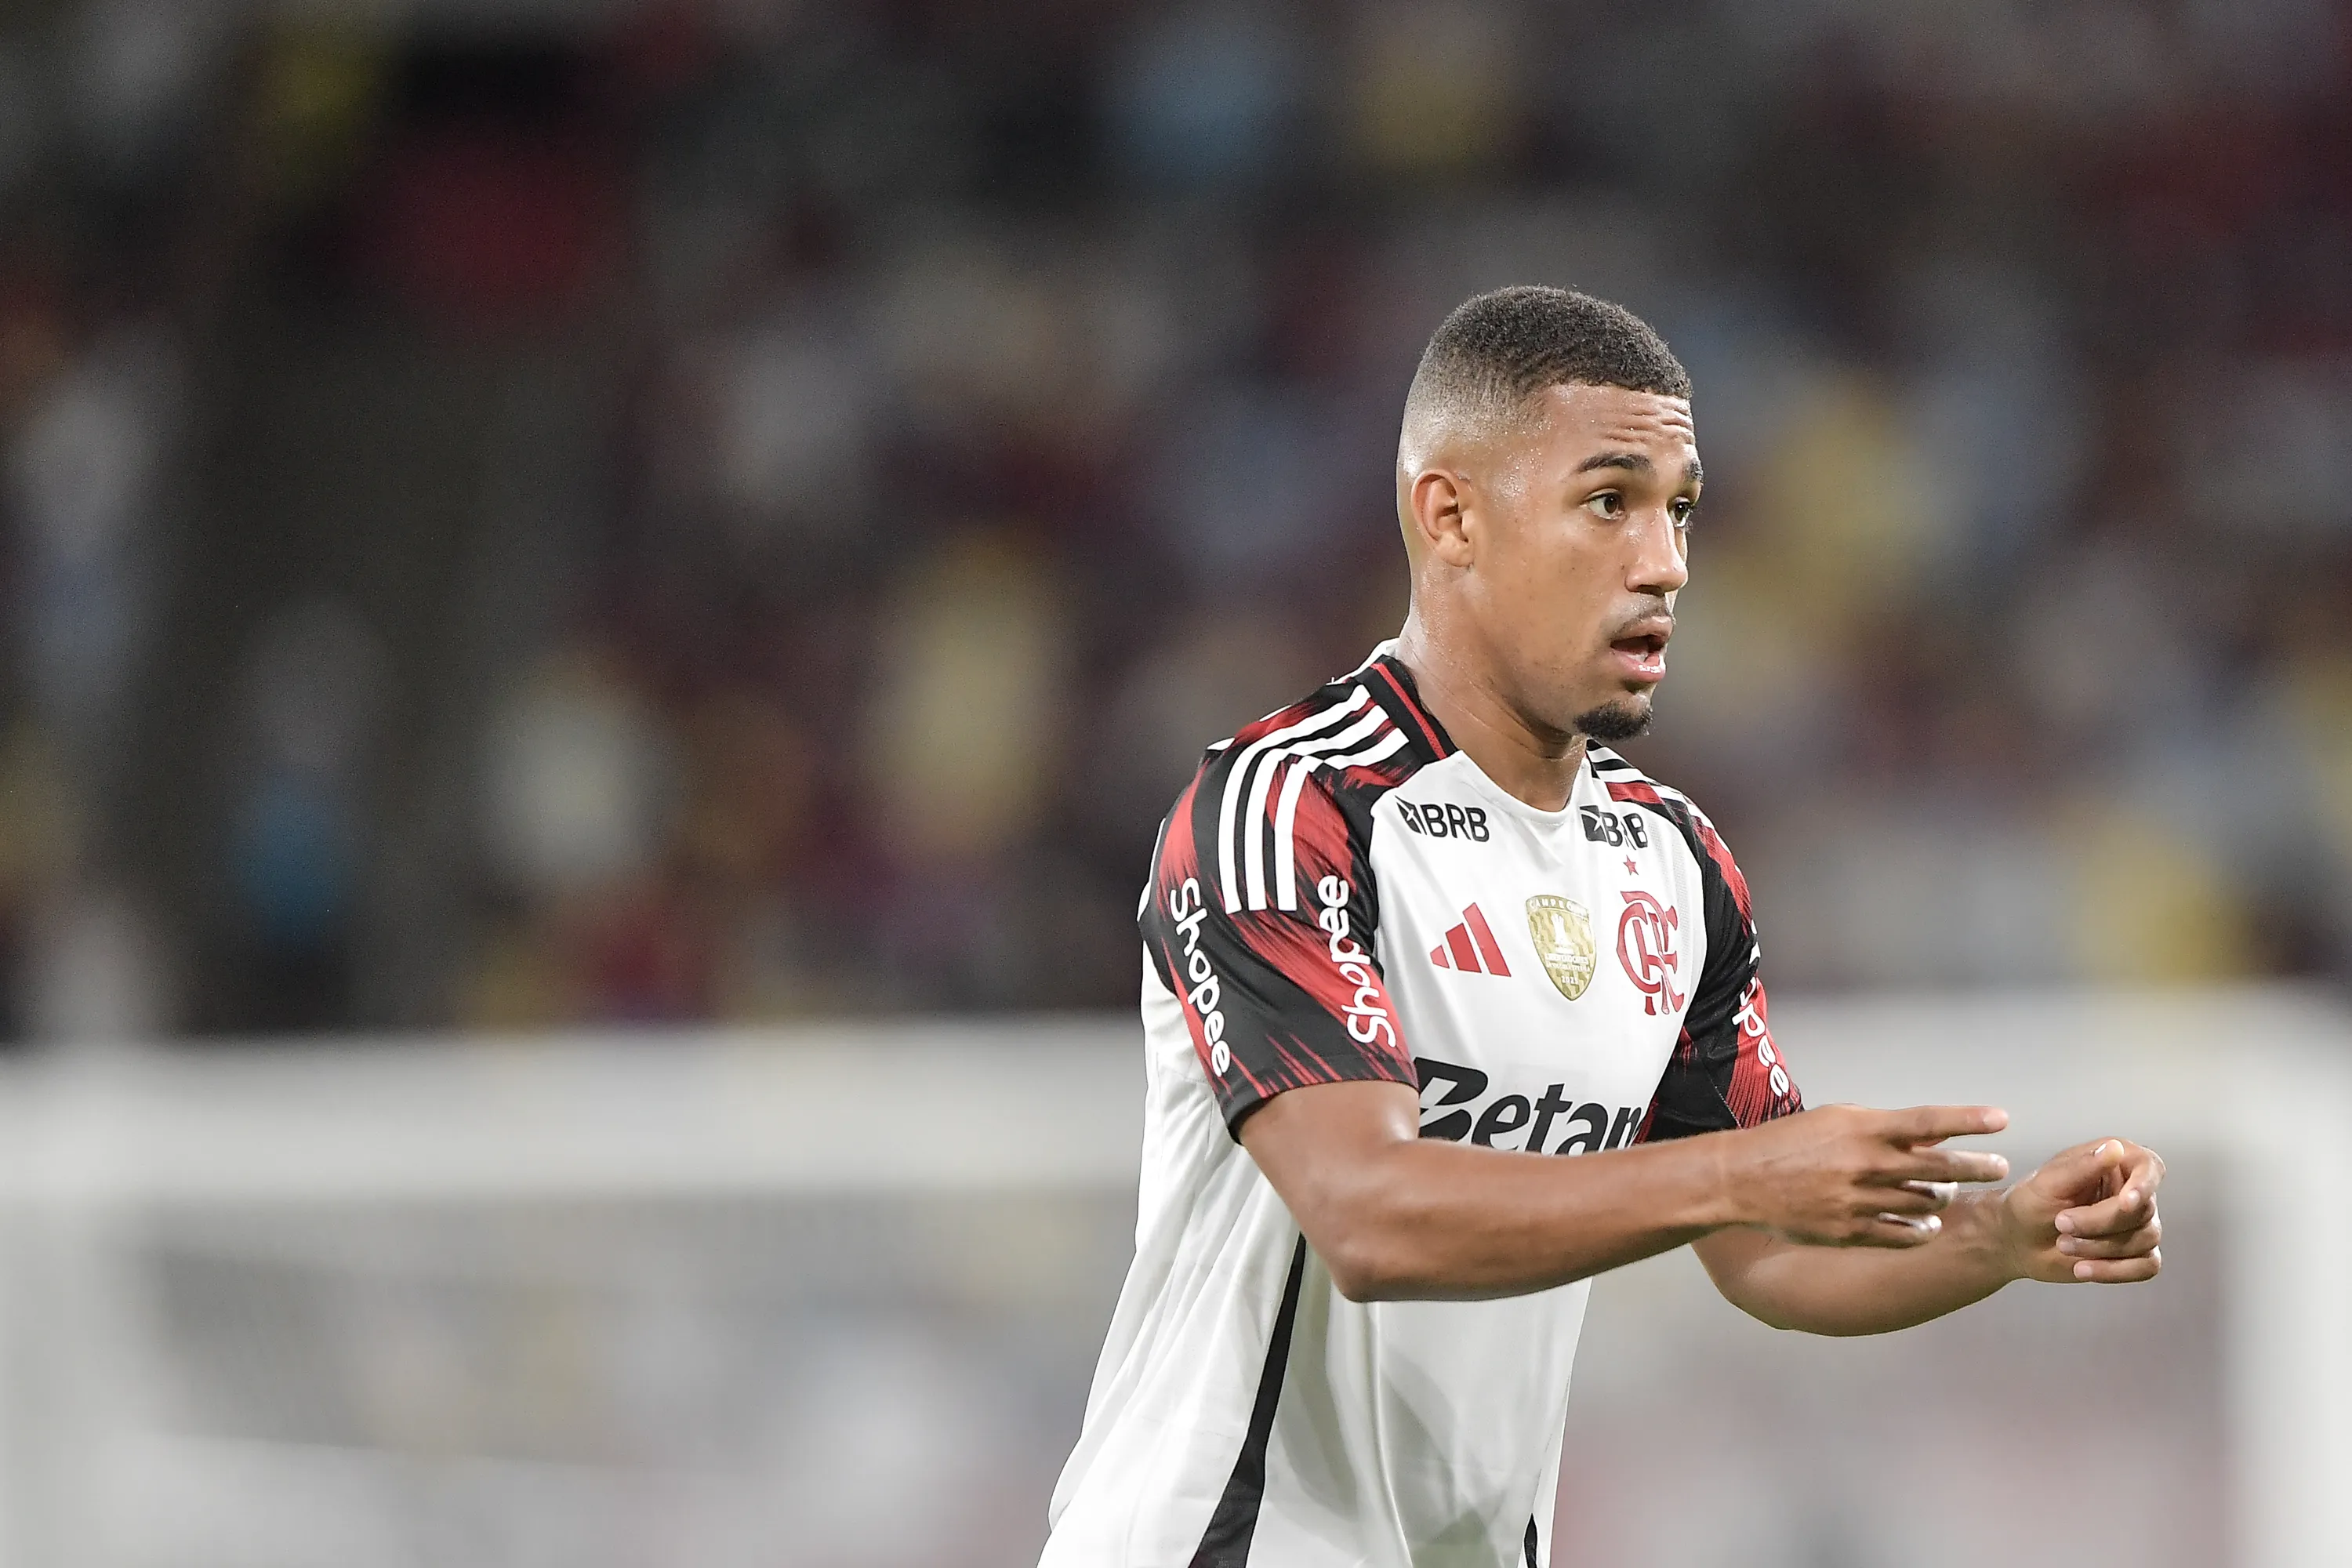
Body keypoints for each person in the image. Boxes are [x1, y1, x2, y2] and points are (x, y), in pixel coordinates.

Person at [1039, 286, 2165, 1568]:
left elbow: (1769, 1258)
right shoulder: (1288, 807)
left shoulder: (1671, 862)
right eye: (1609, 500)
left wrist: (2001, 1242)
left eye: (1680, 508)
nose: (1666, 562)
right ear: (1450, 515)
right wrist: (1741, 1172)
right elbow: (1365, 1213)